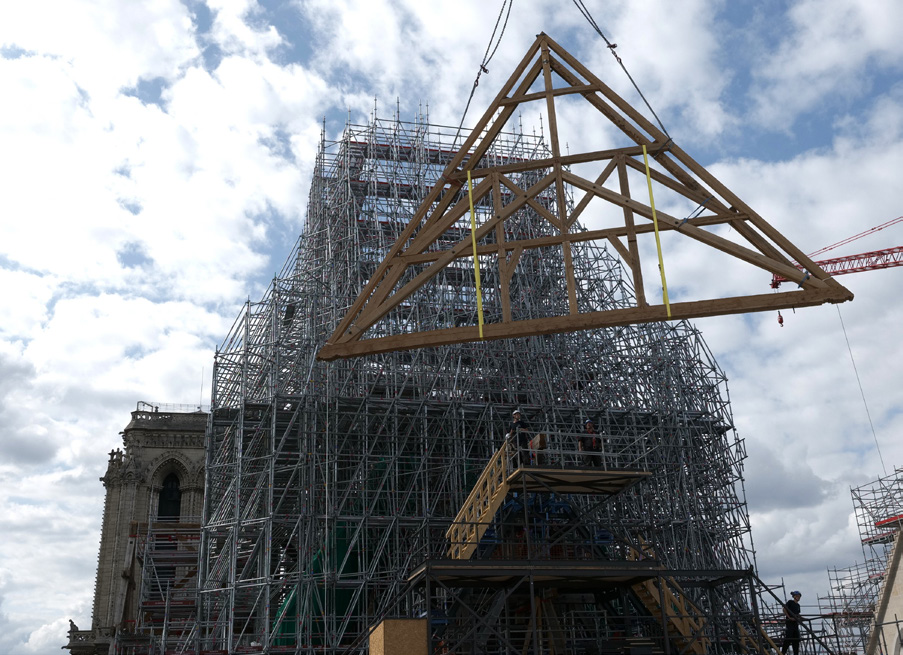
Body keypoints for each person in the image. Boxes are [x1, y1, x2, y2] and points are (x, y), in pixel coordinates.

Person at [781, 590, 803, 655]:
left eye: (799, 596)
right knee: (789, 637)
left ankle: (796, 653)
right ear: (794, 596)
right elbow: (784, 609)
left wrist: (802, 618)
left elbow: (797, 614)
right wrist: (789, 617)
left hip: (795, 624)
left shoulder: (798, 605)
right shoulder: (790, 602)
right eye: (797, 596)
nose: (798, 597)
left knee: (796, 639)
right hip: (790, 623)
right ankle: (783, 652)